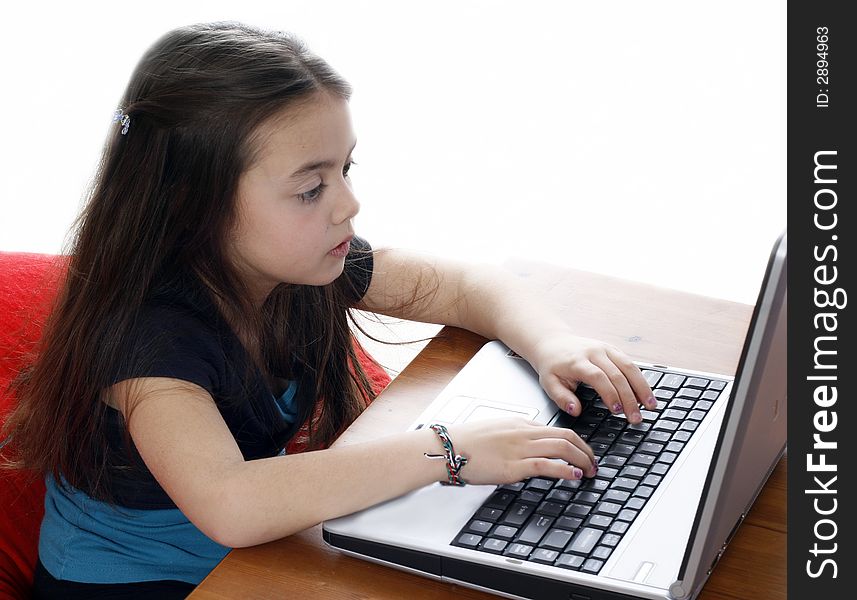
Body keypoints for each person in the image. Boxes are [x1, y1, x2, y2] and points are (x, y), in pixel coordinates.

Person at [0, 22, 656, 599]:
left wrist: (553, 344)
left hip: (251, 548)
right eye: (311, 187)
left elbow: (462, 285)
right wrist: (449, 452)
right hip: (140, 582)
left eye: (346, 168)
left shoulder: (303, 267)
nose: (347, 204)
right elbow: (231, 503)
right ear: (190, 205)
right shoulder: (150, 341)